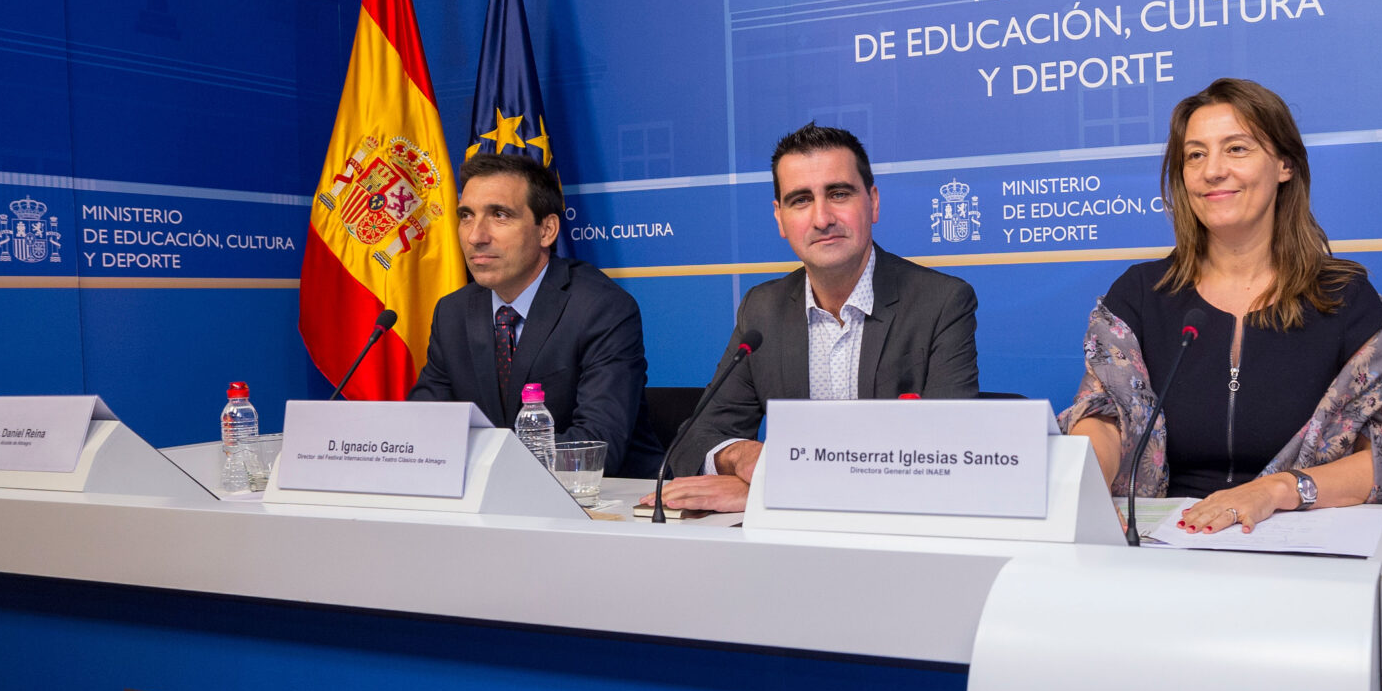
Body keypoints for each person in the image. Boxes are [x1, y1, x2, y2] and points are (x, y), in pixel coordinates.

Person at [1064, 78, 1382, 534]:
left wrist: (1275, 491)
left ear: (1285, 165)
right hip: (1166, 542)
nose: (1212, 171)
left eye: (1236, 149)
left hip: (1302, 538)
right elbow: (1104, 418)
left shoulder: (1345, 298)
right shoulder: (1138, 294)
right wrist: (1085, 493)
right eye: (1195, 155)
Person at [660, 124, 980, 513]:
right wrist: (745, 457)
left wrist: (776, 489)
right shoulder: (762, 309)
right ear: (780, 218)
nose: (822, 218)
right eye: (800, 200)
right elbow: (695, 438)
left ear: (873, 202)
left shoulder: (940, 302)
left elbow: (946, 455)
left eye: (839, 194)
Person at [409, 151, 650, 471]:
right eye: (466, 216)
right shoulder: (452, 312)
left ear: (547, 230)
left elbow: (595, 445)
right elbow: (424, 427)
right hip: (491, 494)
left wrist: (479, 463)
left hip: (605, 495)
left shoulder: (600, 309)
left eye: (499, 215)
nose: (475, 236)